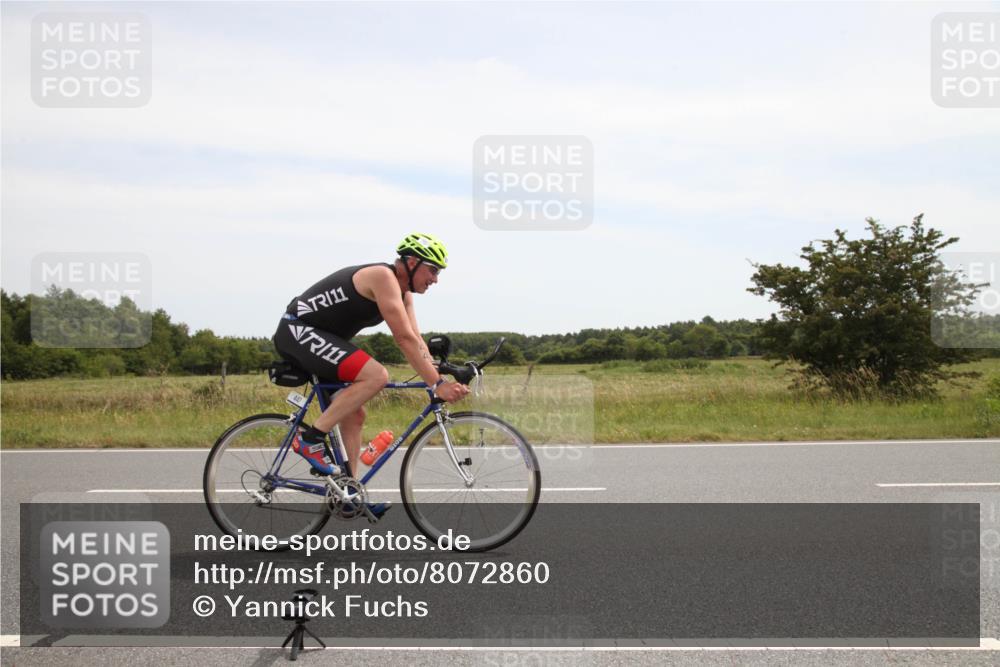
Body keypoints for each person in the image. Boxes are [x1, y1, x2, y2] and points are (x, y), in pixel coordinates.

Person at [272, 232, 470, 519]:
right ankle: (310, 439)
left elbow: (415, 339)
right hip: (297, 331)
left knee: (355, 414)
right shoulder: (383, 277)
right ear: (412, 262)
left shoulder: (404, 294)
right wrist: (436, 385)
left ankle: (346, 493)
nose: (436, 279)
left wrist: (439, 372)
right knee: (376, 375)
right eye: (433, 270)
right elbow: (401, 338)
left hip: (319, 336)